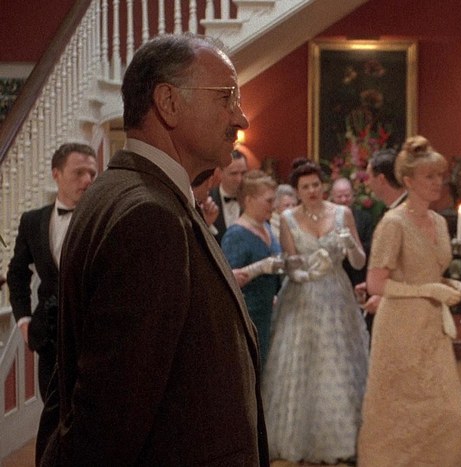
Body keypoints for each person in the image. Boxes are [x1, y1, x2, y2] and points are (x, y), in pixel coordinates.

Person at [37, 34, 268, 466]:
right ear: (168, 103)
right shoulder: (149, 215)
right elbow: (107, 419)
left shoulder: (128, 191)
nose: (240, 118)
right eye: (226, 97)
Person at [357, 135, 461, 466]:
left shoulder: (439, 221)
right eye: (429, 176)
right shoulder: (393, 223)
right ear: (408, 180)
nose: (437, 182)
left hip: (433, 326)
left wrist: (446, 283)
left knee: (444, 409)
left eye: (440, 175)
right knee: (400, 414)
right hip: (400, 328)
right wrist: (430, 290)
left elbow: (427, 272)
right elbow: (376, 283)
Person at [261, 162, 369, 463]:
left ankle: (344, 438)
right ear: (297, 191)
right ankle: (299, 437)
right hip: (302, 297)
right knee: (302, 360)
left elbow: (359, 262)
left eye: (315, 185)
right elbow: (292, 264)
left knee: (338, 360)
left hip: (337, 295)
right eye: (305, 187)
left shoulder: (342, 214)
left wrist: (349, 244)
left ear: (323, 186)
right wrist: (305, 272)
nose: (311, 191)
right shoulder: (288, 218)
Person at [8, 142, 97, 399]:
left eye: (92, 173)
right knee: (51, 411)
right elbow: (17, 273)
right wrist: (23, 320)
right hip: (48, 339)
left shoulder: (104, 218)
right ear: (56, 174)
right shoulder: (32, 221)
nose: (87, 180)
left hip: (93, 339)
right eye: (78, 172)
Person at [222, 170, 283, 367]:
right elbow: (226, 282)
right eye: (268, 200)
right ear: (249, 200)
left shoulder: (268, 227)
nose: (273, 205)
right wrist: (260, 267)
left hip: (270, 314)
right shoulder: (236, 234)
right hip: (248, 318)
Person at [354, 148, 409, 321]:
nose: (367, 183)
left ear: (381, 179)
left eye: (369, 177)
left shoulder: (407, 212)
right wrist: (373, 286)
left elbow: (413, 267)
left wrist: (385, 297)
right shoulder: (394, 210)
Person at [330, 177, 374, 287]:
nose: (344, 200)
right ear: (332, 197)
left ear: (353, 195)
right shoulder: (327, 219)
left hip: (359, 274)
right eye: (339, 196)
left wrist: (350, 249)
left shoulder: (365, 218)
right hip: (335, 276)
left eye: (347, 195)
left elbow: (371, 245)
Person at [209, 148, 248, 242]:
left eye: (243, 173)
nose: (239, 179)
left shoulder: (254, 200)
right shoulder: (207, 200)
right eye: (234, 173)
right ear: (220, 173)